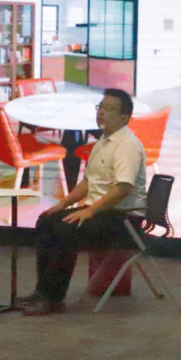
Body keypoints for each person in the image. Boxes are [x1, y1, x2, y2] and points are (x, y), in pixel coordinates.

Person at [20, 88, 147, 315]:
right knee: (47, 220)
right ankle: (42, 291)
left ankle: (53, 299)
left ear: (124, 118)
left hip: (124, 220)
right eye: (101, 107)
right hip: (103, 212)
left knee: (64, 230)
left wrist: (89, 211)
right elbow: (87, 183)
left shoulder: (126, 145)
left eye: (109, 109)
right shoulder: (103, 141)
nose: (101, 112)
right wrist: (62, 204)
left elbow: (123, 188)